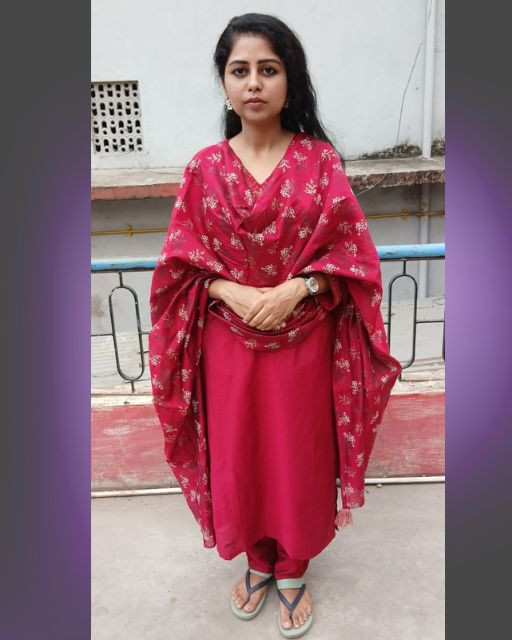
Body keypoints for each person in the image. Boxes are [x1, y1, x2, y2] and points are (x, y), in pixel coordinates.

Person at [148, 13, 401, 638]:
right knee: (240, 455)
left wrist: (299, 287)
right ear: (224, 83)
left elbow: (355, 260)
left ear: (291, 80)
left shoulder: (320, 163)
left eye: (269, 69)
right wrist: (228, 288)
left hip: (305, 341)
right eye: (240, 70)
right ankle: (257, 559)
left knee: (297, 455)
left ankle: (292, 566)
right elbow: (178, 267)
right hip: (226, 342)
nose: (254, 82)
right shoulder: (203, 169)